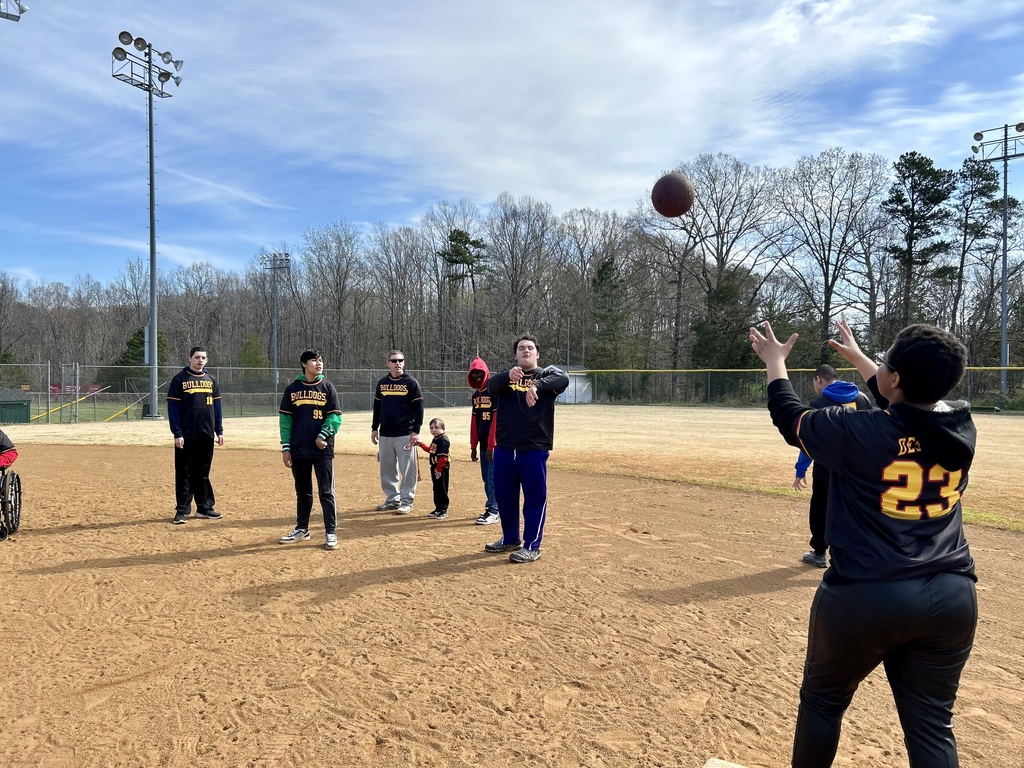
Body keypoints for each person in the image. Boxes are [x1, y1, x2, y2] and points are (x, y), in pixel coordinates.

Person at [749, 319, 977, 767]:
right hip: (952, 595)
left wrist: (775, 363)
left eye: (884, 363)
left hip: (868, 594)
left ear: (894, 379)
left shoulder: (859, 431)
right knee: (932, 727)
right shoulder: (960, 425)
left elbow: (791, 419)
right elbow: (911, 406)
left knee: (823, 702)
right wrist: (860, 359)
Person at [483, 334, 568, 563]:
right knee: (505, 497)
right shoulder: (507, 378)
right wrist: (506, 376)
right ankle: (510, 538)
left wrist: (536, 386)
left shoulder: (545, 377)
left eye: (530, 348)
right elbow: (490, 386)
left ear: (537, 354)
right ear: (515, 355)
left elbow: (563, 378)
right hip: (505, 447)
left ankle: (532, 546)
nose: (526, 351)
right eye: (521, 348)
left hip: (533, 448)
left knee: (534, 498)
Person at [792, 364, 871, 568]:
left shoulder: (819, 403)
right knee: (854, 509)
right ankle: (851, 556)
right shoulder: (862, 399)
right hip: (857, 468)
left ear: (819, 379)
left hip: (826, 468)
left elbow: (809, 441)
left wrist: (801, 470)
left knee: (821, 509)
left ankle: (819, 553)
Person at [277, 349, 343, 550]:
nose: (319, 363)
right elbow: (285, 421)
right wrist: (286, 448)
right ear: (304, 364)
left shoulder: (327, 387)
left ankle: (330, 532)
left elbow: (335, 417)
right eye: (314, 360)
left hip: (322, 449)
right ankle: (302, 529)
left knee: (326, 491)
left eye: (320, 360)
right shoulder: (292, 389)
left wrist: (323, 435)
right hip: (299, 449)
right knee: (303, 491)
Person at [167, 346, 224, 525]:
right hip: (186, 434)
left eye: (203, 358)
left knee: (203, 471)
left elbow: (217, 408)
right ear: (189, 359)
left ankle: (204, 507)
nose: (200, 360)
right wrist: (177, 433)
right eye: (197, 357)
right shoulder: (180, 380)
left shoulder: (211, 380)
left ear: (207, 360)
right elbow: (173, 409)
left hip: (206, 433)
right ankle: (181, 510)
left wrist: (219, 430)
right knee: (184, 472)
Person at [370, 349, 423, 515]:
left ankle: (407, 501)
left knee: (407, 469)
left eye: (400, 360)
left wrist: (416, 431)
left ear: (404, 363)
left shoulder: (411, 383)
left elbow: (419, 408)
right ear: (388, 364)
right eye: (394, 360)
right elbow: (377, 407)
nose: (397, 363)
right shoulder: (382, 383)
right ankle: (393, 499)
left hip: (405, 433)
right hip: (386, 433)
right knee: (387, 468)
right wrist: (374, 428)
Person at [468, 356, 499, 525]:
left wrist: (491, 445)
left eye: (480, 372)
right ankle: (493, 507)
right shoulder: (475, 396)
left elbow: (496, 420)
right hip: (482, 445)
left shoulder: (494, 392)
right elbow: (474, 422)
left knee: (493, 478)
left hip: (493, 446)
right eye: (474, 373)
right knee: (486, 478)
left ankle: (493, 509)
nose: (477, 376)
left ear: (486, 372)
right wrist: (473, 446)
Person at [415, 417, 451, 520]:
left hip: (441, 467)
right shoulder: (436, 438)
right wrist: (420, 444)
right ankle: (438, 508)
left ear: (442, 428)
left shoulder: (443, 440)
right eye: (431, 428)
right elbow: (431, 450)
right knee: (436, 487)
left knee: (442, 487)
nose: (433, 430)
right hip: (435, 466)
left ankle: (444, 509)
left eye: (436, 427)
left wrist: (438, 469)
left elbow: (443, 458)